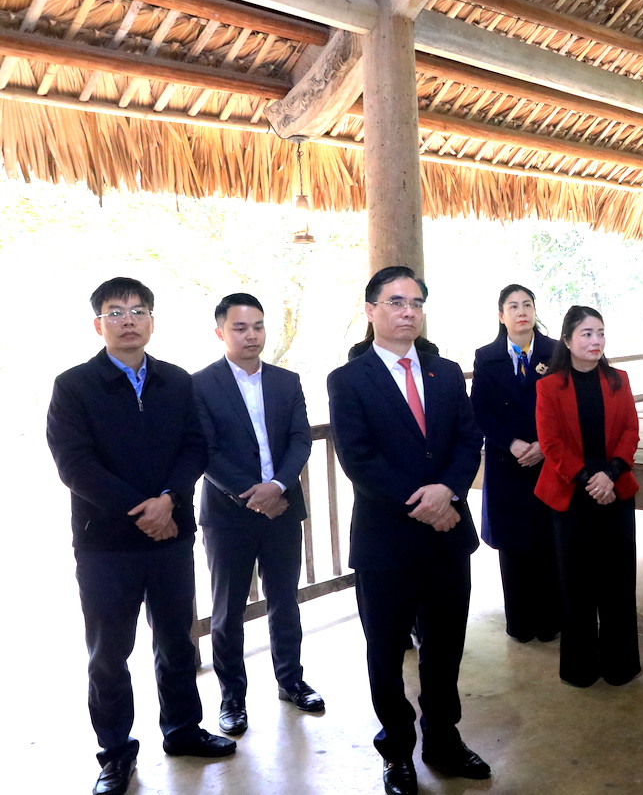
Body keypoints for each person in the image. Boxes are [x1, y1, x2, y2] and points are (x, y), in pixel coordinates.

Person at [47, 277, 235, 795]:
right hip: (105, 545)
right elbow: (74, 464)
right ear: (98, 324)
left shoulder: (177, 380)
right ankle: (115, 753)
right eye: (115, 312)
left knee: (177, 641)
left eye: (138, 310)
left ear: (152, 321)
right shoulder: (74, 385)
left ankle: (183, 730)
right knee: (109, 654)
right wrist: (142, 510)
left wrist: (169, 499)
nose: (127, 320)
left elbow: (196, 446)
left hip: (171, 536)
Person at [327, 266, 490, 794]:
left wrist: (450, 491)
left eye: (416, 303)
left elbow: (468, 440)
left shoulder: (446, 372)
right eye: (396, 302)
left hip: (447, 537)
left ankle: (443, 739)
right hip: (386, 542)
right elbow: (359, 459)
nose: (408, 312)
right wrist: (425, 501)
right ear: (370, 310)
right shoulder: (348, 380)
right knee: (385, 651)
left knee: (444, 648)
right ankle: (396, 749)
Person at [191, 293, 322, 739]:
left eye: (258, 326)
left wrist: (278, 486)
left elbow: (300, 439)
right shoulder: (200, 385)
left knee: (285, 600)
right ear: (220, 333)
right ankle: (232, 698)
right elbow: (205, 451)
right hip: (228, 514)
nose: (252, 335)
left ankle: (291, 681)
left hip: (282, 508)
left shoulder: (287, 381)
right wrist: (253, 495)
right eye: (240, 328)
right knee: (227, 611)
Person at [534, 305, 641, 688]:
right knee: (576, 583)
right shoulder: (549, 386)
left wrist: (610, 475)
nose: (596, 341)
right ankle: (580, 667)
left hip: (615, 491)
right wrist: (588, 479)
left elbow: (630, 431)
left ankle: (620, 665)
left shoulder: (618, 380)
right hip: (572, 495)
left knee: (618, 581)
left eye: (600, 333)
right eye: (586, 333)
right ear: (567, 340)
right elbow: (550, 443)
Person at [471, 284, 560, 643]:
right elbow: (480, 410)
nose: (522, 311)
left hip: (548, 459)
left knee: (548, 541)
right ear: (501, 315)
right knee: (513, 546)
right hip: (506, 461)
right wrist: (511, 442)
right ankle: (520, 623)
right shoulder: (486, 356)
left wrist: (543, 444)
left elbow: (564, 406)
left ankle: (551, 621)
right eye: (513, 306)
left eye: (527, 305)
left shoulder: (556, 352)